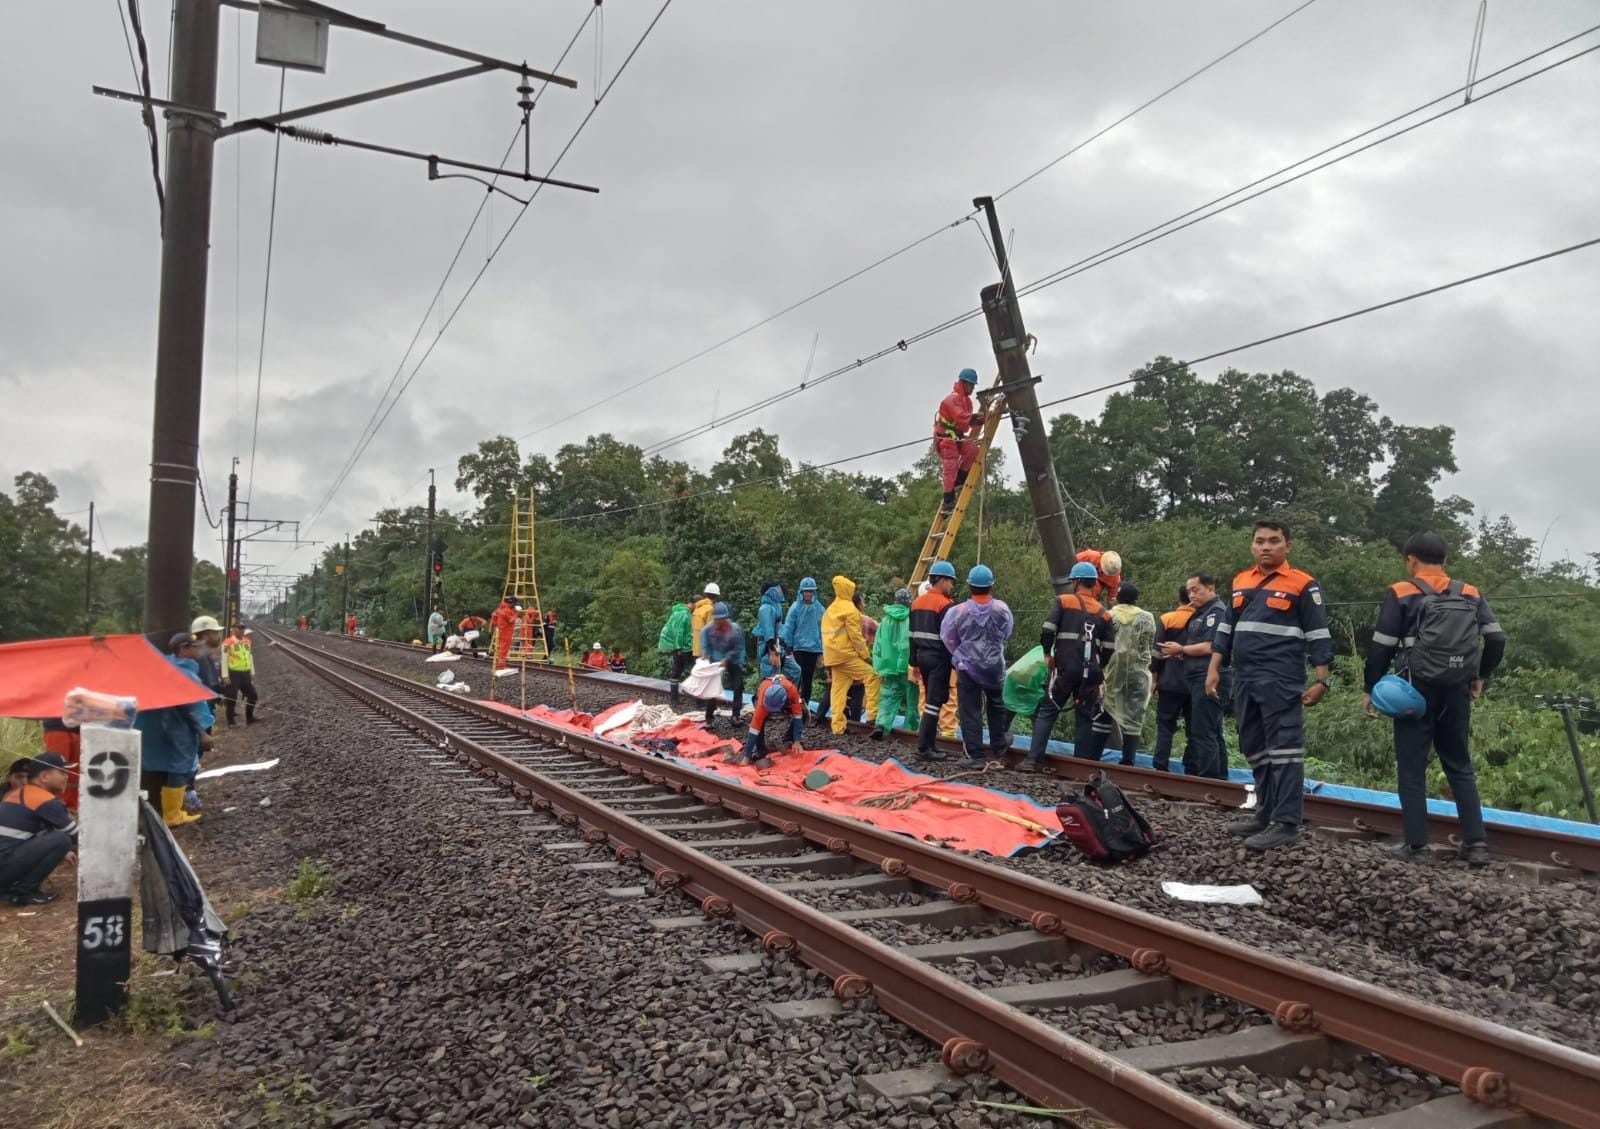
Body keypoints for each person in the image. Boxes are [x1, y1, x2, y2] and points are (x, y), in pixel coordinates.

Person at [1362, 531, 1506, 866]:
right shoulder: (1470, 592)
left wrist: (1370, 689)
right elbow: (1497, 639)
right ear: (1445, 560)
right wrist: (1480, 675)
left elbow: (1381, 646)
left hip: (1414, 691)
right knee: (1459, 765)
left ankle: (1417, 847)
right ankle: (1476, 845)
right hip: (1457, 689)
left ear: (1411, 559)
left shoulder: (1401, 592)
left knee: (1412, 767)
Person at [1207, 520, 1333, 852]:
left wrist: (1322, 679)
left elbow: (1318, 633)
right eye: (1260, 541)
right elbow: (1226, 628)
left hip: (1281, 679)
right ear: (1252, 545)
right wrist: (1214, 668)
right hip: (1245, 678)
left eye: (1274, 541)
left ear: (1287, 546)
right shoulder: (1241, 581)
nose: (1266, 546)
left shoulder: (1303, 584)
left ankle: (1287, 823)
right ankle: (1264, 814)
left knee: (1285, 751)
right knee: (1254, 747)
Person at [1023, 561, 1115, 771]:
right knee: (1084, 717)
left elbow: (1048, 629)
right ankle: (1080, 767)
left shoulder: (1063, 601)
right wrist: (1099, 668)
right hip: (1090, 673)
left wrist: (1048, 654)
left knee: (1048, 711)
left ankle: (1033, 760)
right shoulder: (1104, 613)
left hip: (1065, 669)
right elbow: (1109, 648)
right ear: (1094, 584)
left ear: (1076, 581)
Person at [136, 634, 214, 829]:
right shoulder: (184, 674)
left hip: (150, 728)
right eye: (194, 647)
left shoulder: (162, 667)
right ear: (183, 648)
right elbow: (189, 708)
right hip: (175, 729)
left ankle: (154, 812)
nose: (198, 650)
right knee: (179, 767)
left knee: (154, 767)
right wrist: (202, 732)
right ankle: (173, 815)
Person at [941, 564, 1014, 764]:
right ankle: (999, 745)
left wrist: (961, 653)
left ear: (969, 586)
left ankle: (976, 755)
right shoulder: (1001, 609)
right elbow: (1007, 632)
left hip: (967, 666)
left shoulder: (958, 611)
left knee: (970, 709)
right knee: (996, 704)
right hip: (994, 666)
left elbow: (948, 637)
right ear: (991, 586)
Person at [1161, 571, 1229, 780]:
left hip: (1209, 676)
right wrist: (1183, 653)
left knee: (1203, 731)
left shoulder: (1216, 612)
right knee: (1212, 730)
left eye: (1196, 590)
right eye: (1189, 591)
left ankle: (1209, 780)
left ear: (1210, 588)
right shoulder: (1200, 613)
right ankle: (1219, 779)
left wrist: (1181, 649)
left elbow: (1211, 646)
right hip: (1197, 675)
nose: (1191, 595)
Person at [0, 752, 78, 906]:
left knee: (58, 838)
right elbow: (78, 835)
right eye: (62, 772)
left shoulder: (19, 793)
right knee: (61, 839)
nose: (66, 777)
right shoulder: (44, 800)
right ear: (44, 777)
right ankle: (23, 892)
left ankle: (10, 887)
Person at [1102, 582, 1156, 766]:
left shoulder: (1109, 615)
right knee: (1134, 717)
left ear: (1118, 596)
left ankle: (1092, 756)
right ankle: (1128, 760)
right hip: (1138, 674)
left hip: (1111, 673)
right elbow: (1148, 645)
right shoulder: (1147, 618)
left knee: (1104, 711)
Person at [909, 563, 959, 762]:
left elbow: (911, 636)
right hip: (939, 659)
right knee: (933, 703)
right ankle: (924, 748)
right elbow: (950, 639)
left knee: (932, 700)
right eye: (951, 581)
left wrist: (913, 662)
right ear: (942, 580)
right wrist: (955, 663)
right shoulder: (946, 605)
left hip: (922, 657)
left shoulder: (916, 603)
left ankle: (930, 744)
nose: (952, 586)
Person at [822, 576, 880, 736]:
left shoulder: (830, 609)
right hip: (846, 655)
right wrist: (866, 656)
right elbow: (856, 637)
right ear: (848, 590)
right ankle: (872, 716)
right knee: (873, 676)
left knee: (838, 691)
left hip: (832, 657)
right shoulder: (850, 609)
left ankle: (838, 727)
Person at [735, 646, 805, 768]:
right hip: (761, 699)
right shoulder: (762, 703)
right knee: (758, 721)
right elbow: (754, 729)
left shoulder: (791, 690)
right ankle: (761, 750)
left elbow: (798, 715)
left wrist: (797, 740)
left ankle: (789, 740)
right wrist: (746, 756)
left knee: (804, 711)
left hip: (783, 700)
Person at [1151, 586, 1195, 772]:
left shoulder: (1167, 619)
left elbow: (1157, 653)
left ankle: (1161, 766)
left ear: (1179, 597)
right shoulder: (1202, 619)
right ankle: (1192, 768)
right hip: (1194, 683)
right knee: (1194, 730)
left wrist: (1154, 680)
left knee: (1165, 726)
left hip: (1169, 682)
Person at [933, 367, 981, 513]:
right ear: (964, 383)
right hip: (945, 439)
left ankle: (960, 478)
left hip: (957, 437)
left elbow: (966, 424)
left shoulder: (967, 402)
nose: (973, 388)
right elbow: (961, 417)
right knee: (950, 466)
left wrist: (983, 417)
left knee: (972, 450)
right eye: (971, 385)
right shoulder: (951, 400)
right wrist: (980, 416)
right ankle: (948, 500)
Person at [870, 588, 914, 741]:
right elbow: (909, 644)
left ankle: (881, 725)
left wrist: (878, 665)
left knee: (888, 697)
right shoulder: (911, 619)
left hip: (888, 666)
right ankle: (912, 730)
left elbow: (878, 645)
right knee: (913, 700)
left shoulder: (885, 621)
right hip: (908, 666)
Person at [782, 577, 826, 718]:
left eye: (811, 591)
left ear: (814, 592)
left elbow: (824, 630)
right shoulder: (795, 607)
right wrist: (788, 647)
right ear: (801, 592)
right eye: (806, 591)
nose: (808, 594)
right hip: (799, 648)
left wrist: (823, 649)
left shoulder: (819, 609)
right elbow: (789, 627)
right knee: (797, 677)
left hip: (813, 649)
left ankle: (804, 706)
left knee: (808, 679)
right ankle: (792, 704)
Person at [700, 603, 747, 726]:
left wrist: (727, 659)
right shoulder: (707, 630)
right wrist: (705, 654)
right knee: (713, 686)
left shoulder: (735, 629)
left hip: (734, 658)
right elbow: (705, 646)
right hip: (716, 657)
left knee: (738, 686)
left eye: (721, 619)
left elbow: (738, 648)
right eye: (716, 619)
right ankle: (709, 718)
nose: (718, 622)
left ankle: (735, 716)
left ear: (726, 618)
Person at [754, 580, 802, 683]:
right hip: (769, 649)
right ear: (771, 591)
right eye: (778, 589)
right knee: (769, 679)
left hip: (779, 646)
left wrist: (787, 648)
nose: (781, 591)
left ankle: (788, 692)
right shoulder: (766, 608)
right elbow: (768, 631)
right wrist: (772, 651)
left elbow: (780, 629)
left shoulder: (776, 606)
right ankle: (763, 693)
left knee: (795, 671)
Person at [220, 622, 259, 727]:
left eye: (243, 628)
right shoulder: (228, 643)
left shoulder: (247, 641)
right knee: (231, 697)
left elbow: (250, 656)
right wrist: (225, 676)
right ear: (233, 629)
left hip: (245, 673)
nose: (242, 630)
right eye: (239, 628)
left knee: (253, 695)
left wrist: (252, 671)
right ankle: (231, 722)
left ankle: (250, 718)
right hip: (233, 673)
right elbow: (224, 659)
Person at [658, 597, 695, 706]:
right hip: (683, 648)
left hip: (686, 647)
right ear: (693, 604)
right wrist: (679, 647)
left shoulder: (683, 612)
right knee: (677, 671)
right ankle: (674, 699)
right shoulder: (683, 614)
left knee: (682, 670)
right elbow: (679, 632)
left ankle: (677, 698)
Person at [690, 583, 720, 660]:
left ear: (705, 594)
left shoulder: (697, 608)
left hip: (696, 647)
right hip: (706, 649)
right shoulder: (710, 609)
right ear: (717, 596)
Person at [489, 596, 518, 667]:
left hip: (502, 630)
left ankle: (501, 663)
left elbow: (494, 617)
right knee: (504, 649)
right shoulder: (507, 610)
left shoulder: (500, 610)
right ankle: (501, 665)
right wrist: (516, 614)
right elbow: (511, 620)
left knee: (502, 648)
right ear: (513, 603)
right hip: (506, 632)